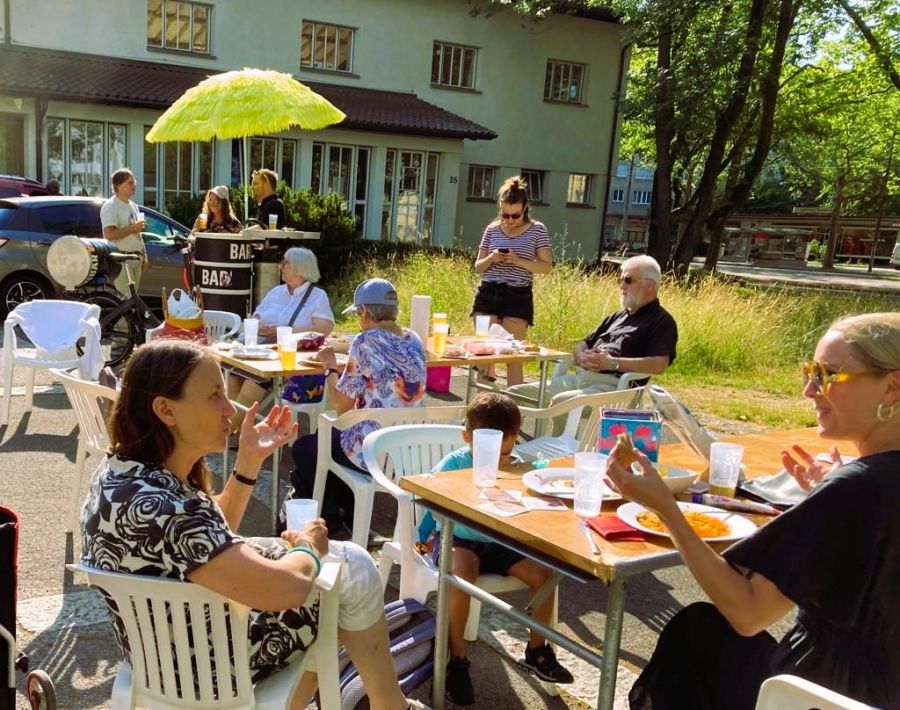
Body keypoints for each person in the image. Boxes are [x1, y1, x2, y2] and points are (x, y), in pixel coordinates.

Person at [80, 340, 427, 710]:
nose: (230, 408)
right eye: (215, 395)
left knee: (343, 571)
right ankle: (390, 704)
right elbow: (287, 589)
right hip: (207, 669)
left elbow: (198, 541)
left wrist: (246, 465)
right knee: (351, 571)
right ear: (166, 409)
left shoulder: (119, 475)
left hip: (157, 658)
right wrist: (307, 545)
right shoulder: (172, 511)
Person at [607, 312, 900, 710]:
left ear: (892, 387)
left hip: (817, 695)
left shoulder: (854, 489)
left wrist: (665, 508)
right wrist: (828, 496)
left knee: (698, 631)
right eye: (808, 371)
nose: (810, 390)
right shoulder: (857, 488)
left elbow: (748, 612)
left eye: (828, 374)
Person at [417, 392, 574, 705]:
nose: (502, 460)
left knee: (545, 575)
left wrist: (541, 472)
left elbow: (541, 474)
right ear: (468, 438)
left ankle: (537, 651)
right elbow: (428, 495)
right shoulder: (455, 463)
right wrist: (422, 535)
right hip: (459, 537)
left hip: (501, 540)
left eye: (508, 451)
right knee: (461, 574)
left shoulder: (517, 467)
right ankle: (456, 659)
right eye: (493, 452)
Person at [289, 278, 427, 536]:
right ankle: (351, 518)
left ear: (364, 312)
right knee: (327, 442)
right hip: (409, 450)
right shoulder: (415, 339)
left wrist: (330, 366)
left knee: (305, 448)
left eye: (358, 315)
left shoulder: (365, 342)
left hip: (375, 451)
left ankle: (331, 521)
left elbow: (342, 406)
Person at [507, 255, 677, 412]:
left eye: (628, 280)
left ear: (649, 285)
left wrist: (612, 363)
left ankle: (559, 443)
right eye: (621, 280)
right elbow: (583, 343)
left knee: (561, 402)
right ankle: (513, 441)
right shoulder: (617, 316)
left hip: (614, 388)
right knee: (512, 395)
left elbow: (659, 364)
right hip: (579, 379)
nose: (622, 286)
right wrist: (581, 356)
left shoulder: (661, 321)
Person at [230, 247, 335, 429]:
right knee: (231, 377)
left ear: (299, 267)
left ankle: (226, 434)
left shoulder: (317, 297)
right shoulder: (276, 292)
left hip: (285, 357)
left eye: (285, 262)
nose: (281, 265)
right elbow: (257, 316)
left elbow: (323, 329)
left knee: (251, 385)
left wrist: (285, 331)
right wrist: (259, 326)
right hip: (259, 350)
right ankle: (233, 431)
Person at [472, 175, 552, 386]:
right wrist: (492, 257)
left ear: (525, 209)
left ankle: (514, 411)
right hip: (488, 291)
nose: (509, 220)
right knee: (484, 356)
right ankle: (482, 410)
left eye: (514, 215)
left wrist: (519, 261)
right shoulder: (492, 229)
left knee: (513, 357)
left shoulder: (537, 230)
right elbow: (478, 267)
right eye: (504, 215)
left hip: (517, 295)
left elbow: (546, 267)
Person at [100, 167, 148, 295]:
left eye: (134, 182)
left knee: (133, 301)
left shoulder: (133, 206)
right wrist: (132, 228)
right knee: (125, 301)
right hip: (121, 260)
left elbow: (138, 232)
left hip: (136, 258)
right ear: (118, 185)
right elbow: (109, 234)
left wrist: (144, 256)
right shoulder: (111, 206)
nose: (134, 185)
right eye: (130, 182)